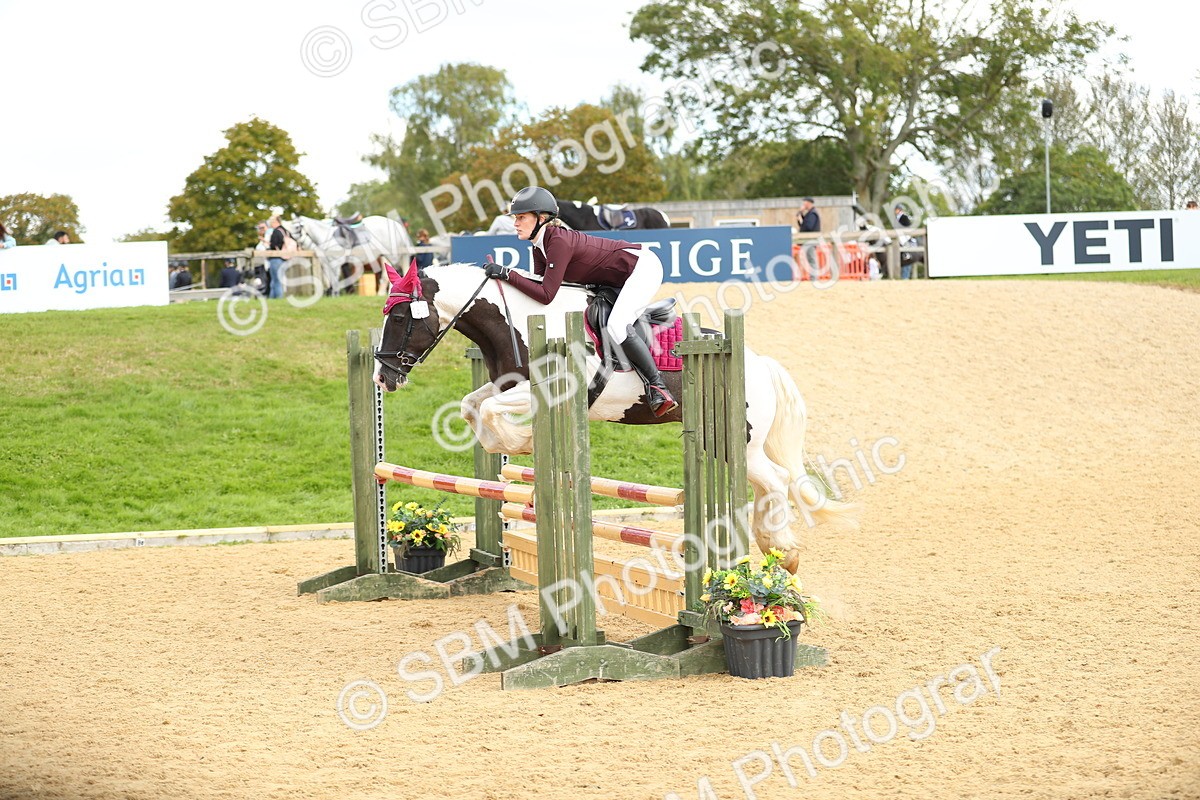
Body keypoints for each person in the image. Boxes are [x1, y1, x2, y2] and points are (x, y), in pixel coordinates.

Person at [483, 186, 678, 417]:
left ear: (541, 218)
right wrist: (506, 279)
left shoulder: (557, 242)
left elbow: (546, 293)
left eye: (521, 217)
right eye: (515, 217)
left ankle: (658, 387)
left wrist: (507, 274)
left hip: (642, 268)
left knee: (616, 325)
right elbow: (539, 290)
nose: (515, 223)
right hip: (615, 277)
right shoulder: (540, 247)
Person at [893, 204, 917, 279]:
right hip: (900, 234)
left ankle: (906, 253)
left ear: (899, 210)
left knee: (902, 240)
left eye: (896, 210)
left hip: (906, 234)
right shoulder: (897, 218)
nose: (895, 211)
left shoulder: (904, 217)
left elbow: (908, 226)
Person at [266, 216, 285, 298]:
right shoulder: (284, 231)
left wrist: (267, 243)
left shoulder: (276, 232)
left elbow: (274, 244)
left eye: (272, 222)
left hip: (276, 258)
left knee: (276, 280)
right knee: (275, 280)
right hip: (284, 258)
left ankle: (278, 298)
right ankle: (272, 299)